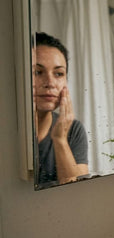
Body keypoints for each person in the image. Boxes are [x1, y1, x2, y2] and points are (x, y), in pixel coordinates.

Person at [33, 32, 88, 187]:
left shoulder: (74, 130)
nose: (50, 83)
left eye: (58, 74)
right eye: (38, 72)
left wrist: (60, 140)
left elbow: (78, 193)